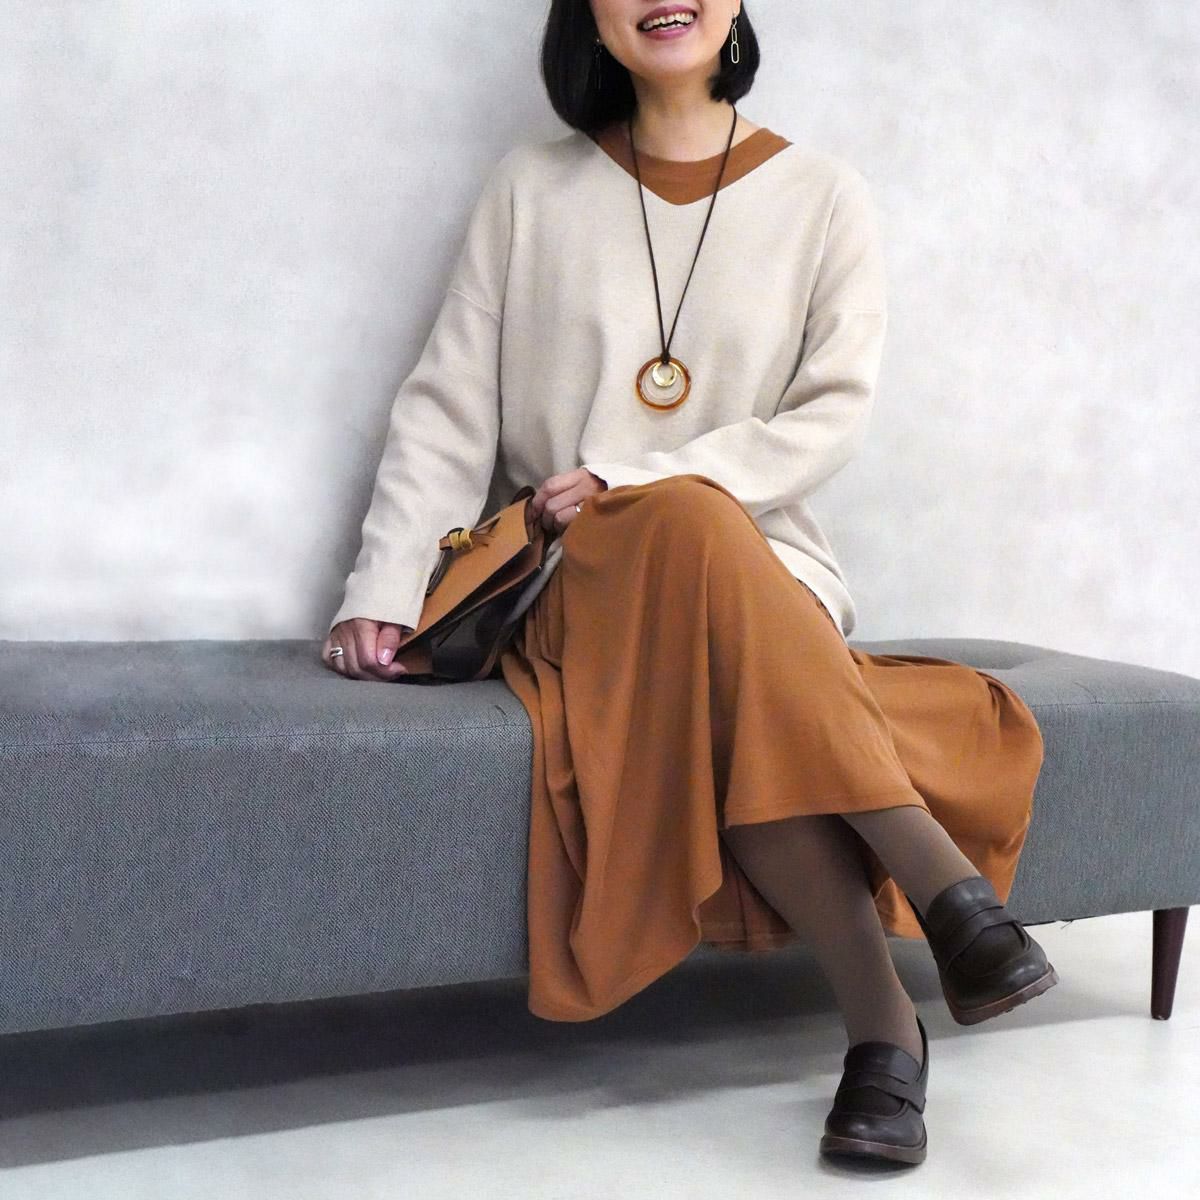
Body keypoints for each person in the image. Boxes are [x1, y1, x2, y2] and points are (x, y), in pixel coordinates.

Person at [321, 0, 1058, 1169]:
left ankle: (890, 1030)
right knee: (683, 532)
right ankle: (941, 914)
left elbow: (830, 416)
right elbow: (449, 404)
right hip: (578, 585)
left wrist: (637, 474)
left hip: (767, 572)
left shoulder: (824, 196)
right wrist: (386, 582)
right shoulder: (529, 190)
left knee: (702, 545)